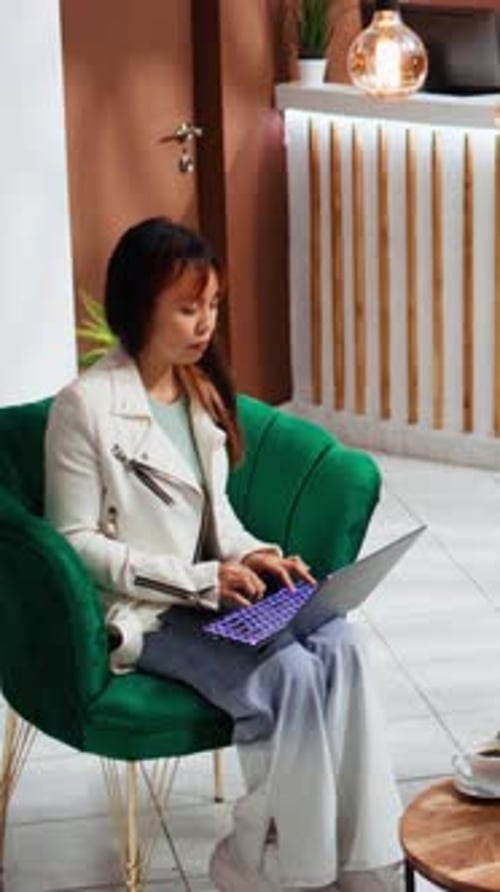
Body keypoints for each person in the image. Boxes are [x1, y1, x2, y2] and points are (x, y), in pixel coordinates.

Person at [45, 217, 403, 892]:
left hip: (218, 594)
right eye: (188, 308)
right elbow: (73, 543)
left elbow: (217, 517)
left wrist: (261, 555)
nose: (206, 323)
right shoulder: (85, 407)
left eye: (212, 305)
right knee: (291, 676)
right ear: (137, 305)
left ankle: (365, 865)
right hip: (152, 612)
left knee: (346, 645)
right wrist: (203, 578)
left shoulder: (197, 392)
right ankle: (269, 865)